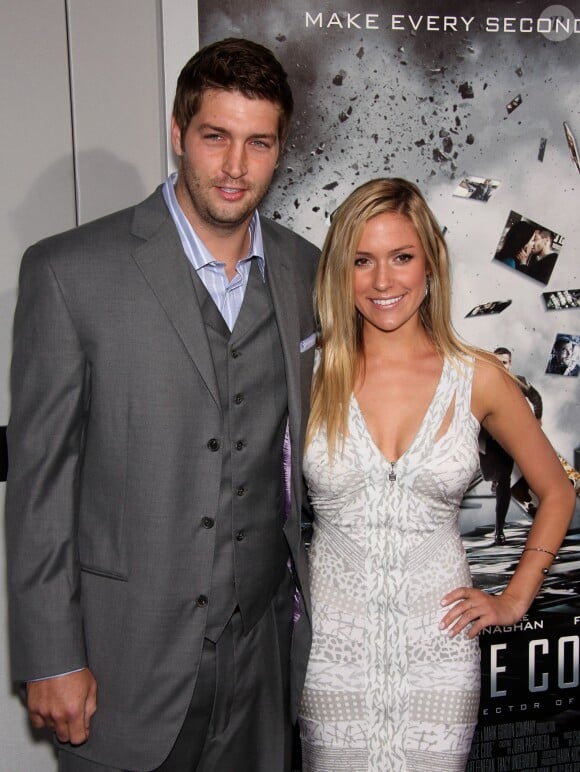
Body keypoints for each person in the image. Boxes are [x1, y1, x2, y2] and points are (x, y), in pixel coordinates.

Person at [5, 38, 319, 772]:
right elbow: (40, 483)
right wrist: (50, 654)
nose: (236, 167)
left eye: (258, 143)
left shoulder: (308, 270)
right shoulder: (67, 272)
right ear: (178, 134)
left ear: (280, 151)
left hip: (265, 666)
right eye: (215, 137)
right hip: (123, 667)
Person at [297, 178, 575, 771]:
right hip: (331, 656)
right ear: (340, 273)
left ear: (429, 263)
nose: (382, 281)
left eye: (401, 257)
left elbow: (555, 492)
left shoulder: (476, 378)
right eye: (361, 261)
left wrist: (516, 599)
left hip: (440, 655)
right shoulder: (310, 374)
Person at [479, 347, 543, 543]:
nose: (501, 366)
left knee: (504, 479)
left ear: (510, 364)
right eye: (497, 362)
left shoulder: (519, 382)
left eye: (504, 362)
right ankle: (497, 480)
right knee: (490, 475)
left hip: (506, 442)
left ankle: (499, 531)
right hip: (485, 442)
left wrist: (537, 420)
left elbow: (536, 399)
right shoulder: (483, 384)